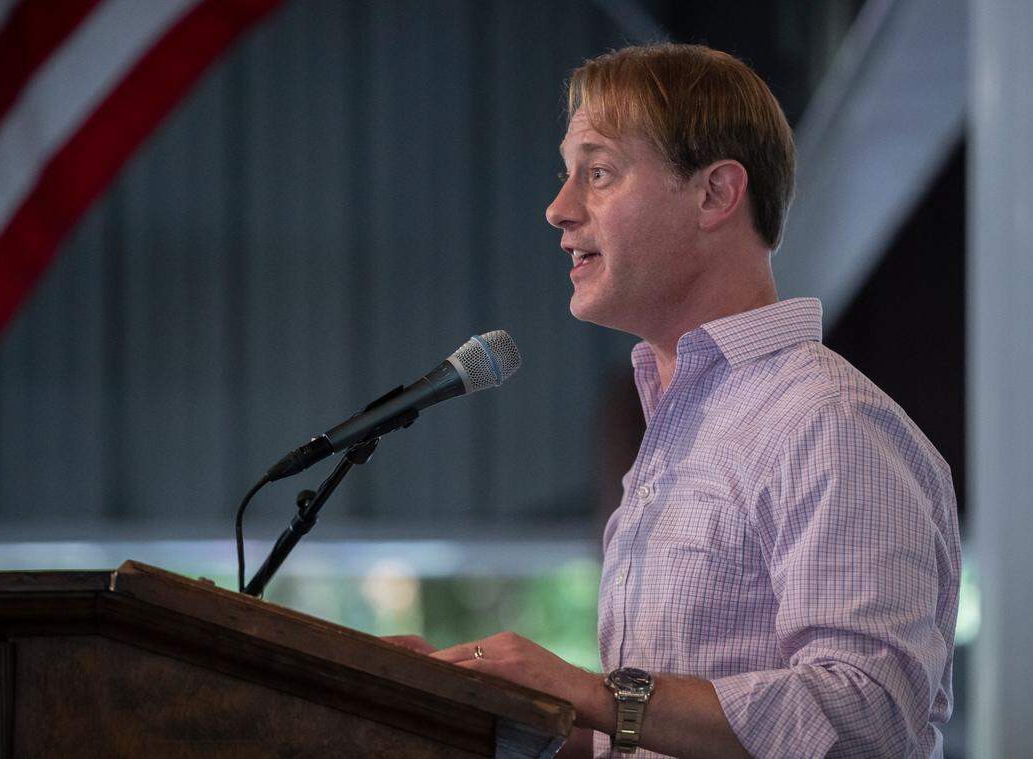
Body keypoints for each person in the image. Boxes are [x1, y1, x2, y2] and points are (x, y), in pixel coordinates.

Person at [404, 43, 961, 758]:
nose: (558, 209)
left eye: (598, 173)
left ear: (715, 194)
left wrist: (593, 692)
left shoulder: (828, 422)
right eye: (567, 175)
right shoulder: (681, 426)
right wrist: (458, 703)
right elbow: (652, 740)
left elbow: (868, 716)